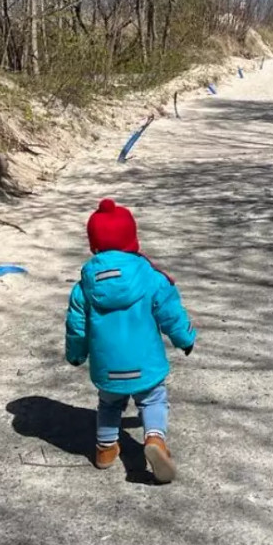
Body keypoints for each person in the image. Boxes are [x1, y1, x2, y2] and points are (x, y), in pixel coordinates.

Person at [65, 198, 196, 481]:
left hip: (107, 368)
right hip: (146, 364)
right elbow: (171, 314)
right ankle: (155, 440)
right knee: (153, 400)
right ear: (133, 241)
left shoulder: (83, 288)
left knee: (109, 405)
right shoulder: (152, 278)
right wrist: (185, 339)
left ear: (94, 245)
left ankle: (105, 450)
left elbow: (77, 328)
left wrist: (76, 354)